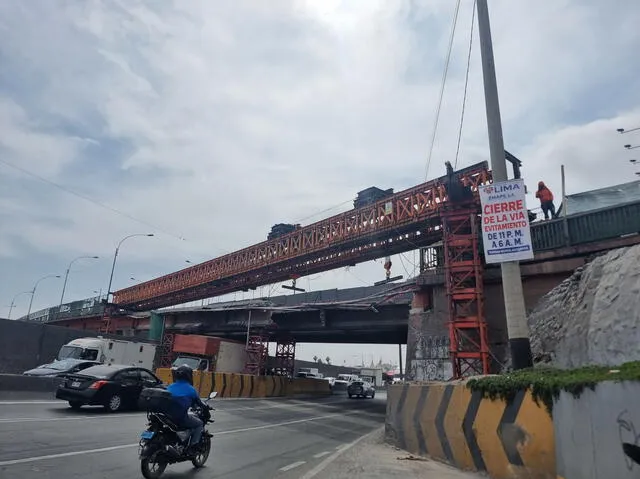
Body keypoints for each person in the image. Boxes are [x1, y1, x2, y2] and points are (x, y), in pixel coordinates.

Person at [167, 365, 205, 454]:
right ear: (189, 376)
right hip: (180, 418)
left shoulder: (170, 386)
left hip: (166, 416)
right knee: (199, 424)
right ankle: (193, 447)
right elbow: (199, 403)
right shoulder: (191, 390)